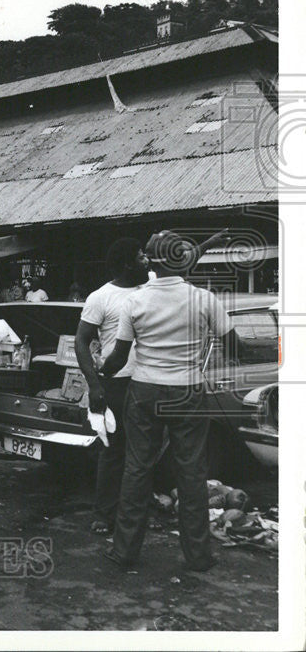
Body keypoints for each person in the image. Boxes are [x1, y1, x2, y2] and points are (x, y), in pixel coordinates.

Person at [99, 230, 242, 572]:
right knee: (191, 473)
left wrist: (98, 376)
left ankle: (124, 551)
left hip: (145, 391)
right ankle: (198, 556)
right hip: (188, 391)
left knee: (137, 469)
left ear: (150, 261)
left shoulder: (135, 301)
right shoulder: (204, 299)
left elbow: (119, 358)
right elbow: (235, 348)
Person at [74, 238, 149, 535]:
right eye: (141, 255)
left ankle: (139, 512)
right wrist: (94, 385)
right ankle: (104, 514)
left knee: (144, 452)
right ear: (128, 263)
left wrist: (210, 242)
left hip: (147, 381)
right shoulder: (100, 297)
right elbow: (81, 341)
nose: (148, 260)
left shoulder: (152, 286)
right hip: (116, 382)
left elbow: (185, 260)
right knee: (113, 451)